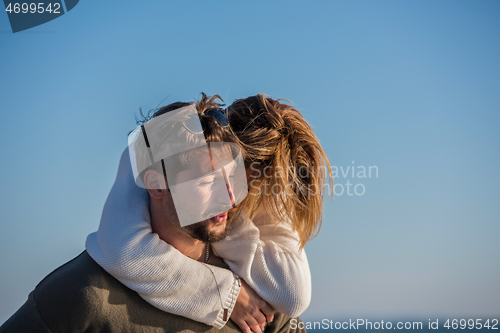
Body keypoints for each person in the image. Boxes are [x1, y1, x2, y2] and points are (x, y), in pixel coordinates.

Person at [0, 94, 313, 333]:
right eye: (206, 181)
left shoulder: (264, 302)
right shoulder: (80, 296)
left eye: (233, 177)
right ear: (155, 185)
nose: (230, 198)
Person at [86, 94, 333, 333]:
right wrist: (225, 295)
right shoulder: (163, 144)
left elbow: (294, 295)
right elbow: (120, 246)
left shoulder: (271, 181)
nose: (234, 195)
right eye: (214, 177)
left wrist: (225, 229)